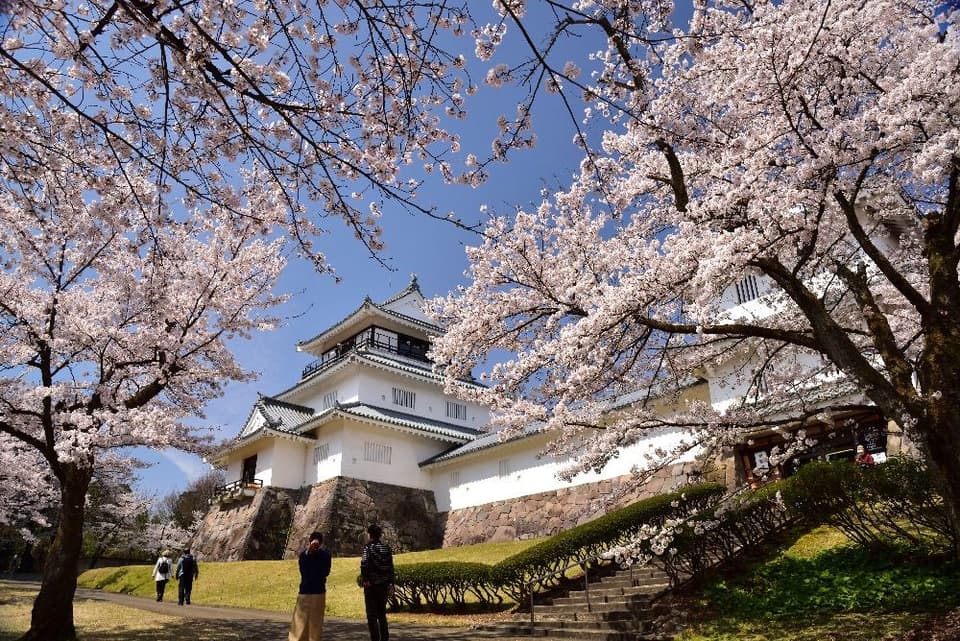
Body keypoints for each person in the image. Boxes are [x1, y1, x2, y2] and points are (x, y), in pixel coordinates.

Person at [289, 531, 332, 641]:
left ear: (310, 541)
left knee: (299, 624)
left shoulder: (304, 555)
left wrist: (311, 553)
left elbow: (303, 571)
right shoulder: (326, 556)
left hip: (306, 590)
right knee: (315, 624)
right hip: (318, 592)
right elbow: (325, 572)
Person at [360, 524, 394, 641]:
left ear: (370, 535)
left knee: (372, 616)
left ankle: (375, 638)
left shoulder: (367, 548)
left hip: (371, 585)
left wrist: (365, 580)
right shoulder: (386, 548)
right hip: (384, 585)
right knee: (382, 614)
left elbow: (364, 564)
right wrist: (391, 583)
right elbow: (390, 567)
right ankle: (385, 638)